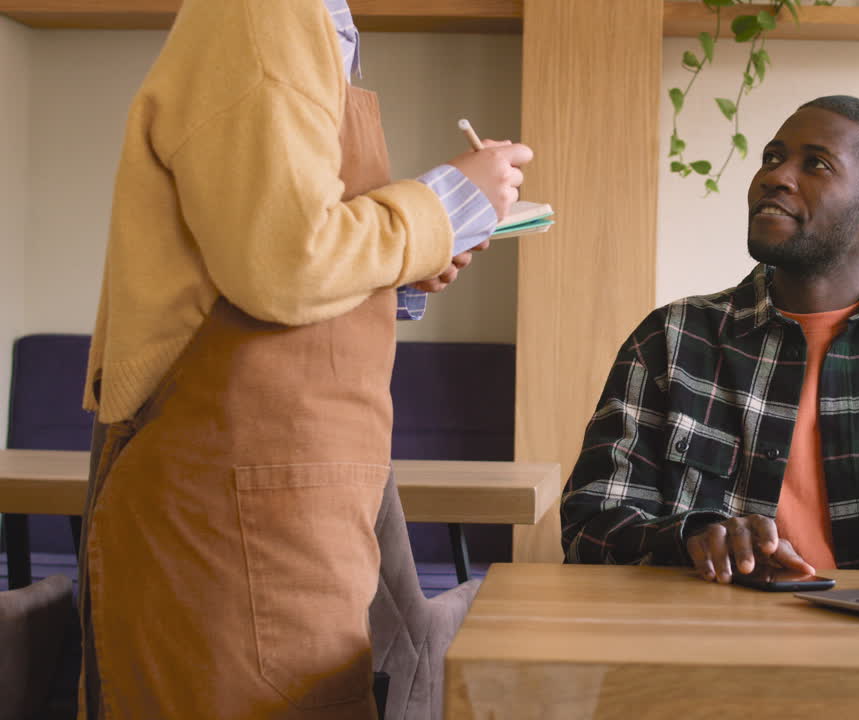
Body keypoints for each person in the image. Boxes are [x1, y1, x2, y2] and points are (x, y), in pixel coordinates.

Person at [77, 0, 531, 717]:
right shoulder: (267, 10)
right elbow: (283, 260)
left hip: (277, 491)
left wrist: (401, 265)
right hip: (239, 497)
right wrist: (443, 205)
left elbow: (272, 243)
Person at [561, 95, 859, 584]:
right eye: (772, 157)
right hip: (708, 638)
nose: (775, 176)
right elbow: (589, 528)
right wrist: (691, 537)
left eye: (816, 165)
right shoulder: (671, 341)